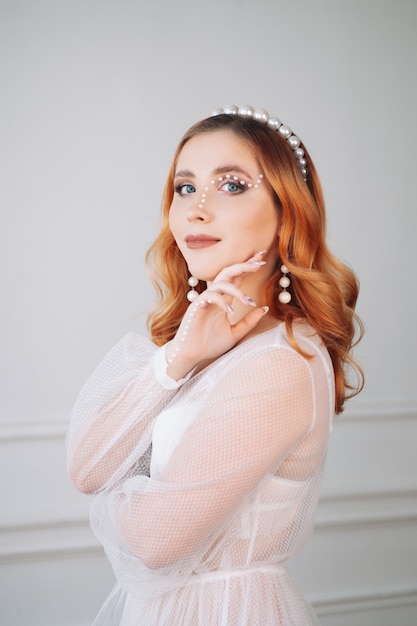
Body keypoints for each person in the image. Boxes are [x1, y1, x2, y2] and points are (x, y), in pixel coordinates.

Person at [67, 104, 364, 625]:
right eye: (185, 188)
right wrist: (177, 360)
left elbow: (156, 541)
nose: (196, 210)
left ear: (287, 211)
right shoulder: (204, 345)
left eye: (231, 186)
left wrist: (127, 466)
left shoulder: (281, 361)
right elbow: (87, 468)